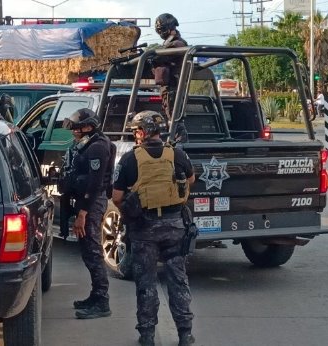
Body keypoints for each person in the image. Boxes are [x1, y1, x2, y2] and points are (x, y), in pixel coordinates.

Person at [112, 110, 196, 346]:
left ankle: (147, 335)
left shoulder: (130, 159)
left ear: (142, 132)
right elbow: (190, 180)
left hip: (144, 229)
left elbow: (116, 197)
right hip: (175, 227)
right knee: (178, 280)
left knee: (146, 282)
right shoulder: (177, 154)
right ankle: (185, 334)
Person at [59, 108, 116, 319]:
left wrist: (83, 212)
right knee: (86, 250)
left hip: (91, 203)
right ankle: (96, 294)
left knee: (92, 250)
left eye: (77, 129)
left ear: (89, 127)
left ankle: (102, 301)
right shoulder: (87, 144)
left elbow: (95, 183)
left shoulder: (98, 148)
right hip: (85, 202)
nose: (74, 132)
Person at [152, 13, 189, 143]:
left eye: (161, 30)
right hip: (170, 88)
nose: (160, 33)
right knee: (172, 119)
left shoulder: (178, 43)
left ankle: (179, 147)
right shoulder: (169, 43)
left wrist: (152, 56)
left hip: (174, 87)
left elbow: (162, 57)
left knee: (175, 120)